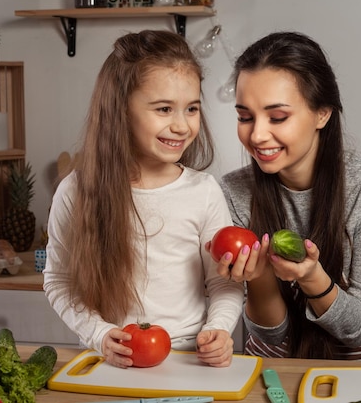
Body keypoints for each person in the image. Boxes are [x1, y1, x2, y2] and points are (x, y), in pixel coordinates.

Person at [44, 30, 244, 368]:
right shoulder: (76, 190)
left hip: (188, 358)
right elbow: (59, 280)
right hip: (108, 359)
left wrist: (219, 329)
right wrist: (99, 333)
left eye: (191, 108)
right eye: (164, 108)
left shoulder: (204, 191)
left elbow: (223, 282)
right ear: (120, 110)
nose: (182, 125)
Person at [210, 31, 361, 361]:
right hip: (274, 374)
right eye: (245, 117)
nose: (256, 135)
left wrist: (311, 277)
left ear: (322, 113)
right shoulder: (233, 193)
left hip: (359, 378)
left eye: (277, 117)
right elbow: (271, 334)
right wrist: (258, 277)